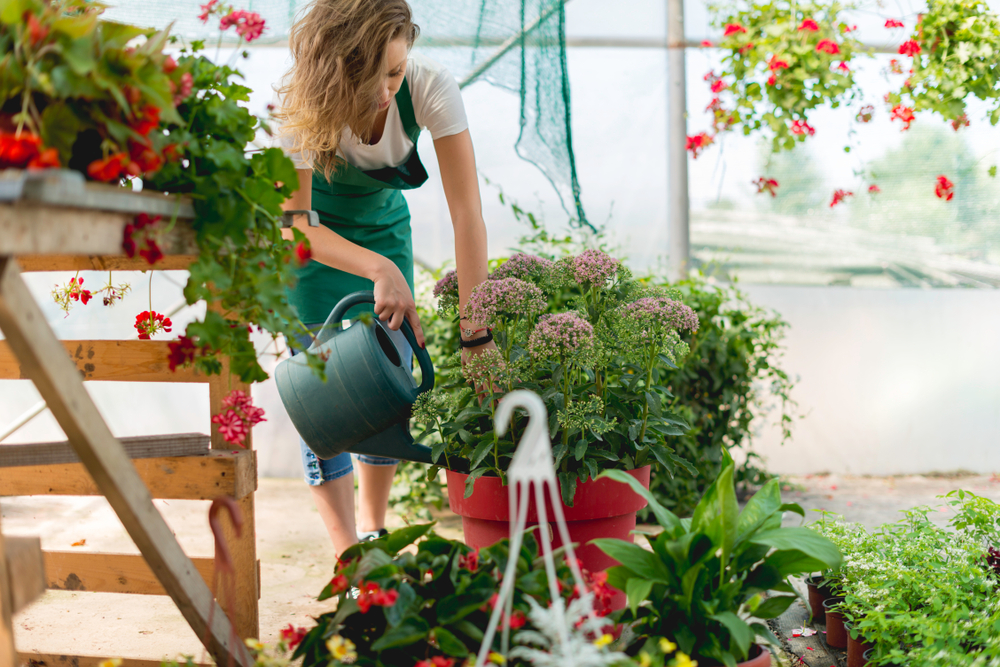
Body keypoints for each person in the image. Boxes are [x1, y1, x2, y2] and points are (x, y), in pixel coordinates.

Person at [275, 0, 496, 556]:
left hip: (384, 230)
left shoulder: (431, 87)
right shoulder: (300, 101)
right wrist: (378, 269)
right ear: (334, 68)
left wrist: (477, 335)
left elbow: (467, 213)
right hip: (317, 243)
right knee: (325, 396)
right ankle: (348, 555)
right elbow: (296, 226)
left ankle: (374, 530)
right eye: (367, 76)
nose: (383, 92)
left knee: (388, 379)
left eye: (394, 72)